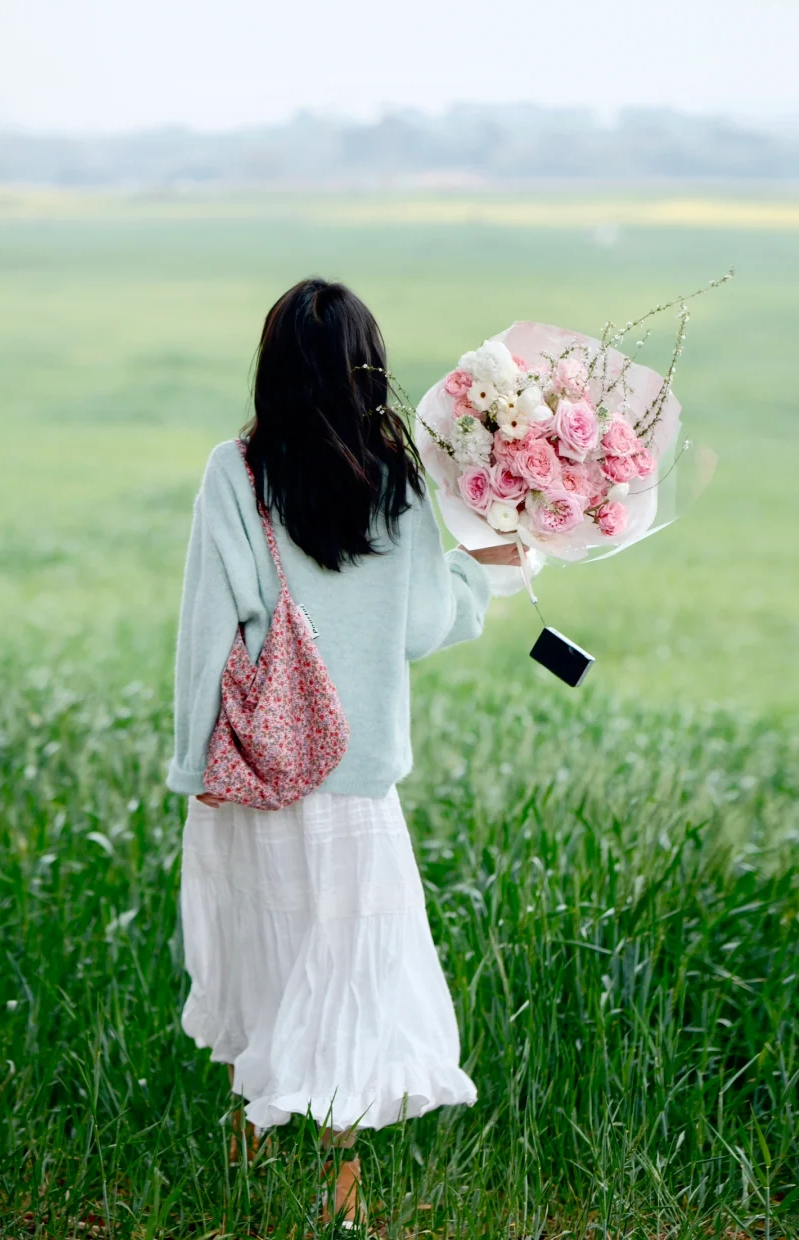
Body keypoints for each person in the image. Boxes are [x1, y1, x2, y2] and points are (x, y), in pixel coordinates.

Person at [166, 278, 521, 1229]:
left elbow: (210, 627)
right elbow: (422, 625)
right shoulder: (394, 477)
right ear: (368, 368)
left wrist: (191, 761)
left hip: (262, 767)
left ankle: (254, 1132)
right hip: (358, 778)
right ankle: (339, 1180)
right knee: (351, 966)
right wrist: (489, 571)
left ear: (273, 365)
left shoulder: (233, 473)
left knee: (277, 957)